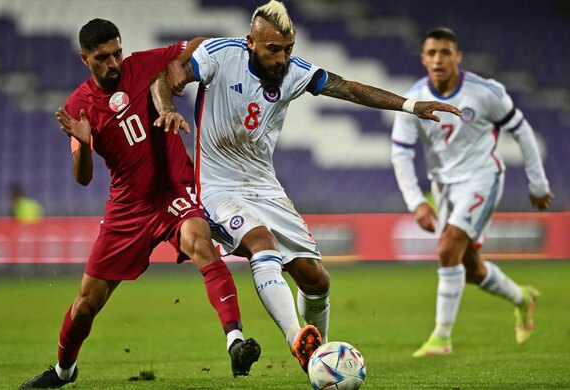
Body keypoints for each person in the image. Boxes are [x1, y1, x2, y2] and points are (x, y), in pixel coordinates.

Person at [153, 1, 460, 372]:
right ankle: (300, 341)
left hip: (265, 186)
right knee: (261, 245)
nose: (282, 58)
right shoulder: (220, 55)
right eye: (274, 49)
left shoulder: (293, 73)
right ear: (252, 42)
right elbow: (165, 77)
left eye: (288, 49)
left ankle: (321, 354)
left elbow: (348, 89)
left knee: (316, 280)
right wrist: (167, 107)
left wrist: (410, 105)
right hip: (219, 187)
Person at [19, 19, 260, 389]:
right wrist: (83, 145)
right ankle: (64, 371)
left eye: (118, 52)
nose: (115, 63)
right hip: (128, 209)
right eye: (103, 58)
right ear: (86, 60)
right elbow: (82, 178)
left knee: (201, 243)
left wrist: (235, 45)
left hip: (172, 192)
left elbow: (195, 44)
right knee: (86, 304)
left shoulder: (144, 64)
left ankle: (235, 342)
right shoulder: (77, 106)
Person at [390, 27, 554, 357]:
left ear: (458, 57)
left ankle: (441, 338)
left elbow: (522, 131)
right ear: (423, 58)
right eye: (432, 53)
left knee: (448, 247)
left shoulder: (485, 93)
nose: (438, 59)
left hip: (482, 177)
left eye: (445, 52)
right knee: (471, 269)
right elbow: (401, 153)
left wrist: (538, 184)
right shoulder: (414, 101)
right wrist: (417, 202)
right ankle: (522, 297)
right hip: (445, 187)